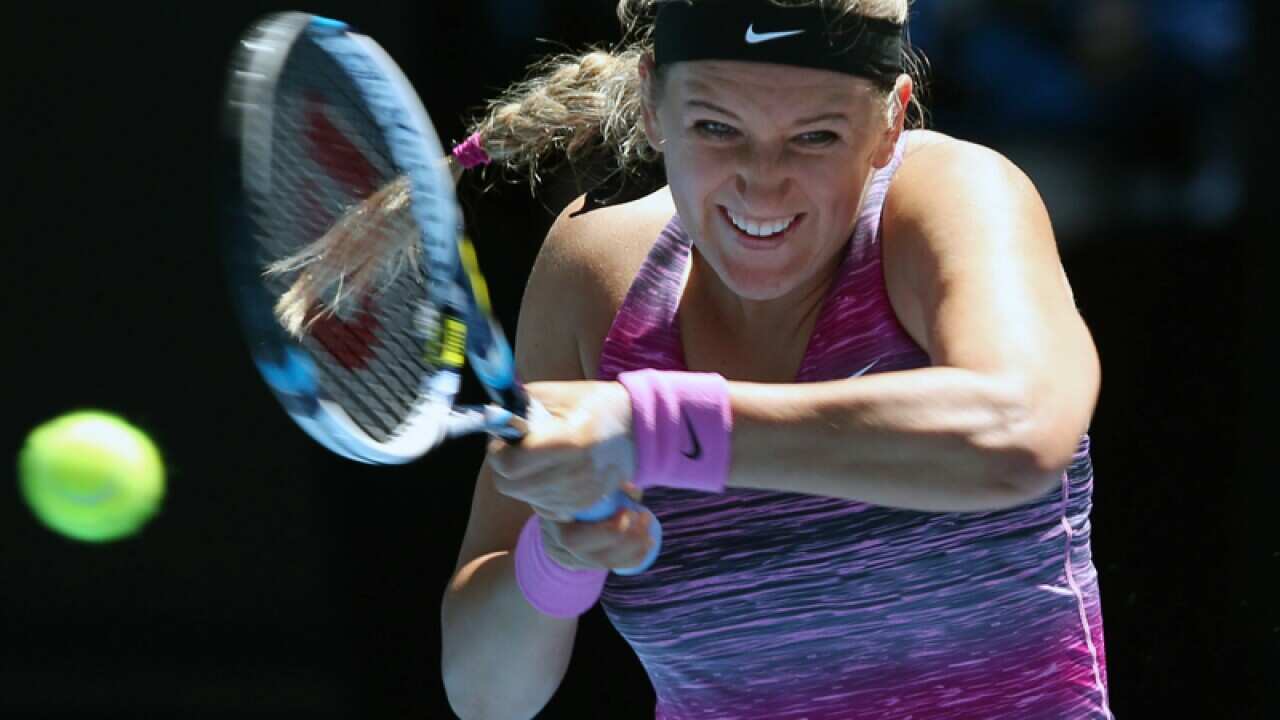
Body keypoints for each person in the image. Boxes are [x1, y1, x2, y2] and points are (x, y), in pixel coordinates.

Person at [439, 1, 1112, 718]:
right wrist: (557, 559)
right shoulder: (592, 276)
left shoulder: (951, 197)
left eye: (815, 136)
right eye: (717, 128)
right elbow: (486, 697)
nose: (763, 180)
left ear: (890, 123)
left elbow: (1018, 432)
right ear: (652, 106)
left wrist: (654, 428)